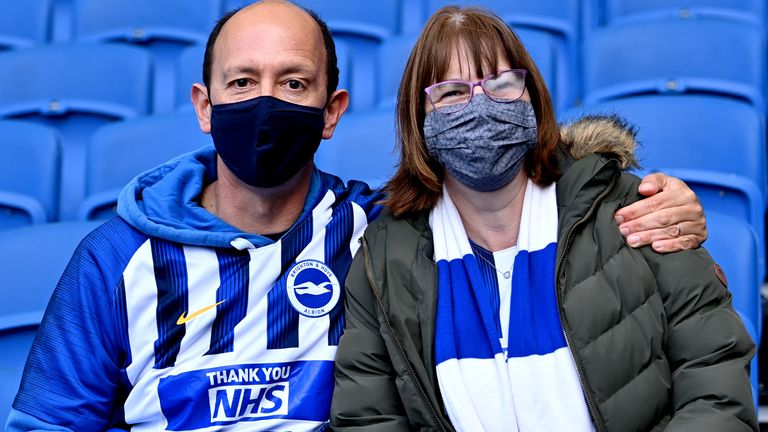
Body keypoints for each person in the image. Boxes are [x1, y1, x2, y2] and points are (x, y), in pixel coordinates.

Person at [7, 1, 709, 431]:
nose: (266, 102)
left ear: (332, 111)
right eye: (242, 83)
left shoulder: (383, 230)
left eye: (294, 83)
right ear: (203, 104)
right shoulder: (115, 258)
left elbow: (516, 191)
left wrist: (645, 193)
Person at [330, 6, 757, 432]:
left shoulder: (633, 210)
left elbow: (713, 374)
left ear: (532, 96)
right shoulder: (384, 257)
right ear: (418, 119)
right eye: (452, 93)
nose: (481, 105)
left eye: (501, 84)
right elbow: (369, 418)